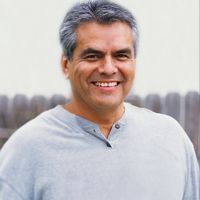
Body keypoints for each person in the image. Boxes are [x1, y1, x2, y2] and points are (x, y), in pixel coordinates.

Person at [0, 0, 199, 199]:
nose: (109, 68)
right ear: (65, 65)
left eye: (121, 55)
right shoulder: (26, 149)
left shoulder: (171, 139)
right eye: (93, 56)